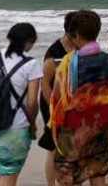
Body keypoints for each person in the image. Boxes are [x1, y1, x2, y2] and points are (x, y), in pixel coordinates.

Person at [49, 10, 108, 186]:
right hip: (103, 128)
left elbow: (58, 98)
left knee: (69, 179)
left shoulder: (67, 64)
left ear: (75, 35)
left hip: (74, 130)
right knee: (98, 175)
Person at [0, 23, 42, 186]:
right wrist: (32, 124)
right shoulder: (31, 64)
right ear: (29, 42)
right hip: (14, 130)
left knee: (2, 175)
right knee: (9, 178)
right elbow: (32, 102)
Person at [38, 11, 77, 186]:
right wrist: (54, 109)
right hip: (52, 104)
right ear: (70, 32)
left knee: (70, 145)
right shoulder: (53, 53)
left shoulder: (79, 48)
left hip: (71, 103)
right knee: (53, 148)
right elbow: (44, 85)